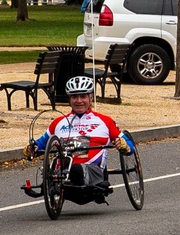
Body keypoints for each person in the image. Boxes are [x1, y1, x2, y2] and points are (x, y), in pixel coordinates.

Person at [24, 75, 128, 204]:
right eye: (74, 97)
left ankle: (68, 183)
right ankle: (58, 186)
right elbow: (40, 144)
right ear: (69, 98)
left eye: (83, 96)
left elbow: (129, 145)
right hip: (62, 171)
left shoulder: (105, 121)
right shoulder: (58, 122)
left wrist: (124, 145)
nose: (79, 101)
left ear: (91, 97)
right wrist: (31, 149)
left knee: (77, 169)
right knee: (63, 170)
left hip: (91, 170)